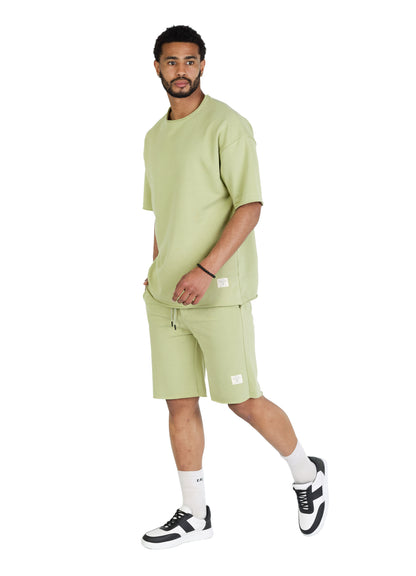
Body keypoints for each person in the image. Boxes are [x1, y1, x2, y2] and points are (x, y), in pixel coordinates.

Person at [141, 25, 328, 550]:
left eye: (190, 61)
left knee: (242, 400)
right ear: (156, 67)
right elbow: (162, 213)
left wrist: (204, 270)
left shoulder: (228, 126)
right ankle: (194, 513)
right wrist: (156, 267)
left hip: (218, 291)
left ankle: (307, 473)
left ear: (203, 65)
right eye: (171, 61)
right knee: (179, 404)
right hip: (164, 298)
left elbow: (250, 206)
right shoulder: (154, 136)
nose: (181, 70)